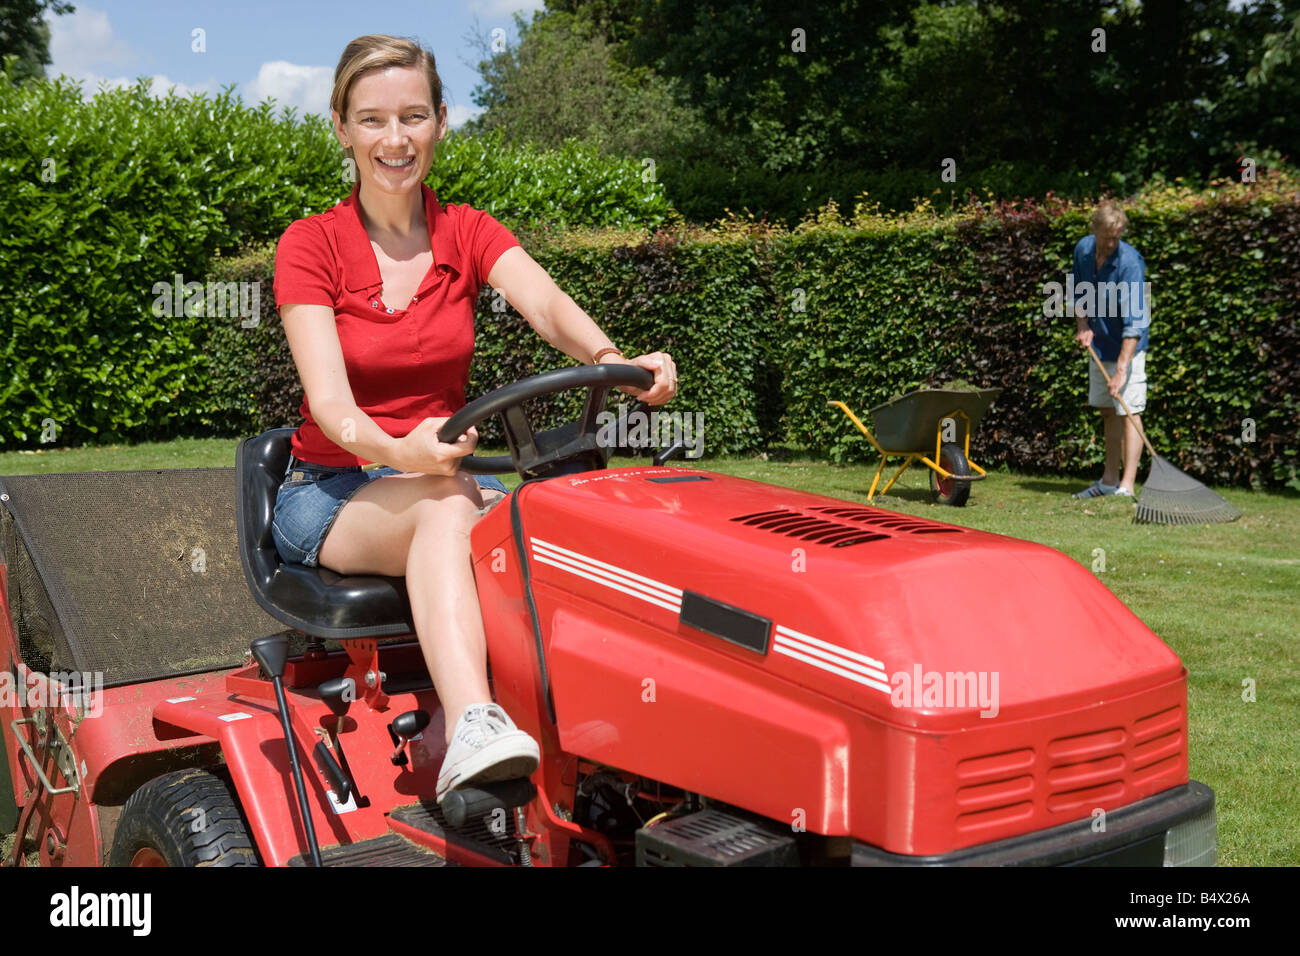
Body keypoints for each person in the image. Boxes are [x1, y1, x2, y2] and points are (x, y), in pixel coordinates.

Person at [270, 34, 677, 803]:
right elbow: (332, 407)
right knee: (446, 505)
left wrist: (613, 357)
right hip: (332, 486)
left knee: (566, 523)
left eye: (414, 116)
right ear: (341, 127)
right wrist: (404, 449)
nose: (396, 139)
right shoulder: (310, 244)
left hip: (434, 472)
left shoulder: (468, 230)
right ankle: (470, 727)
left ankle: (605, 731)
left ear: (441, 122)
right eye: (373, 119)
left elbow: (546, 303)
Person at [1071, 201, 1150, 498]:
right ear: (1094, 231)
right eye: (1107, 236)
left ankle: (1127, 487)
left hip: (1128, 347)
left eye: (1117, 236)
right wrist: (1083, 326)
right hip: (1100, 342)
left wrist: (1121, 370)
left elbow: (1135, 323)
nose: (1112, 242)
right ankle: (1108, 481)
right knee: (1108, 411)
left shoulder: (1130, 263)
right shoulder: (1083, 250)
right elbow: (1077, 290)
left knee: (1129, 411)